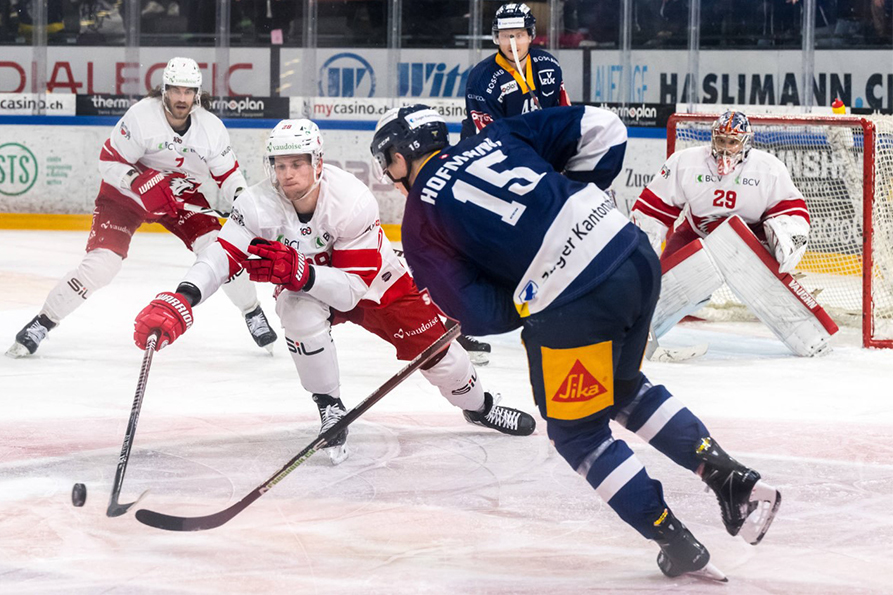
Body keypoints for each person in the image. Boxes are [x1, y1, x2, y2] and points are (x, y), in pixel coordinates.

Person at [370, 104, 781, 580]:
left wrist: (528, 293)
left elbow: (475, 314)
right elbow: (604, 129)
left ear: (401, 156)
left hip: (575, 304)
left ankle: (676, 541)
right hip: (630, 252)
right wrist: (574, 203)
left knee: (578, 434)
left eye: (388, 163)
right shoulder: (499, 135)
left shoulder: (420, 221)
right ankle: (729, 478)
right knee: (622, 388)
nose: (390, 175)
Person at [131, 118, 536, 465]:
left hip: (378, 283)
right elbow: (222, 256)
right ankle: (329, 405)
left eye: (296, 164)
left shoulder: (351, 201)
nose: (287, 174)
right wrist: (182, 297)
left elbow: (350, 292)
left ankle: (481, 408)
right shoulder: (256, 204)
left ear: (317, 163)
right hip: (310, 286)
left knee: (441, 358)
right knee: (295, 311)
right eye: (279, 165)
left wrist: (302, 273)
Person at [6, 57, 277, 359]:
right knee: (101, 266)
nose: (181, 98)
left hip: (179, 199)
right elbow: (108, 162)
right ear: (164, 90)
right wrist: (138, 181)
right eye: (175, 91)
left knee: (219, 251)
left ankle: (251, 310)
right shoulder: (141, 118)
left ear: (197, 94)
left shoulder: (211, 129)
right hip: (124, 197)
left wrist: (242, 200)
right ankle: (43, 322)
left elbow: (229, 176)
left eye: (188, 92)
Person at [630, 110, 834, 357]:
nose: (725, 147)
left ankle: (810, 338)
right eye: (720, 139)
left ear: (746, 142)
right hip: (696, 234)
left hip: (747, 244)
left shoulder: (768, 169)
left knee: (769, 289)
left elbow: (791, 210)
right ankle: (634, 335)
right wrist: (645, 253)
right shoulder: (685, 162)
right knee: (662, 285)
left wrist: (786, 238)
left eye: (733, 141)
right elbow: (653, 210)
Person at [460, 2, 571, 140]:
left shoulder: (549, 65)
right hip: (494, 155)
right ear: (497, 37)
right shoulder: (482, 79)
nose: (513, 43)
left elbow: (564, 117)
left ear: (530, 36)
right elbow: (489, 142)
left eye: (519, 35)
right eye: (506, 35)